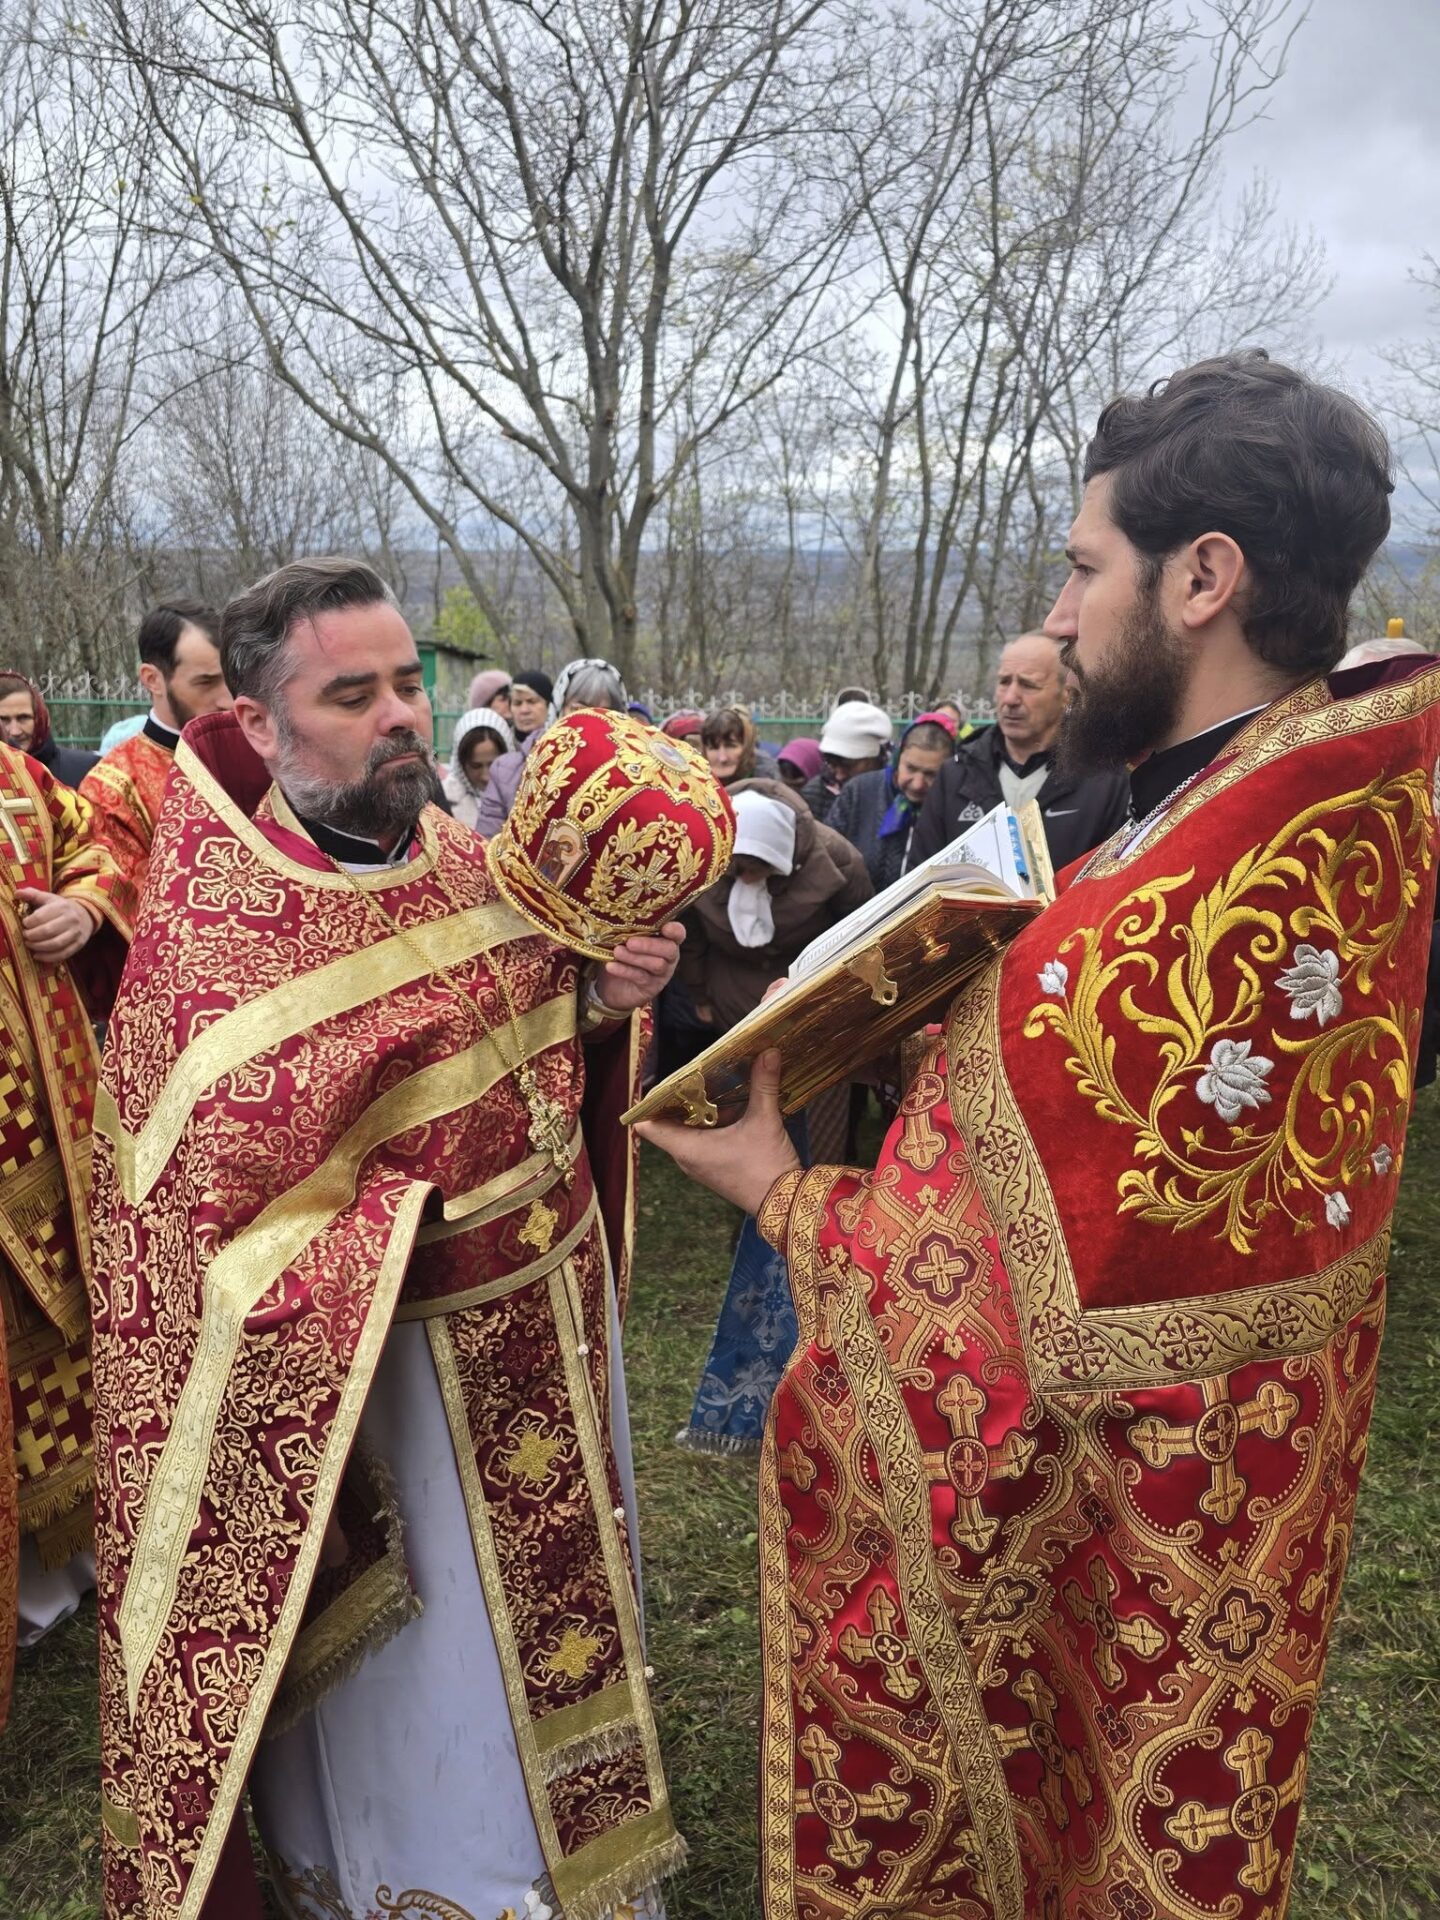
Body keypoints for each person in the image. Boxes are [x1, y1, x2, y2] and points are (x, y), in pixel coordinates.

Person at [640, 352, 1440, 1919]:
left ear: (1202, 577)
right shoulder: (1332, 803)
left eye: (1084, 569)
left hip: (1123, 1544)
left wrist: (779, 1192)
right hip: (1232, 1527)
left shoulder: (1157, 916)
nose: (1060, 621)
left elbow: (965, 1347)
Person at [88, 559, 732, 1920]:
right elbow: (191, 1262)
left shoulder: (458, 859)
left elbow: (534, 1036)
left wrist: (607, 992)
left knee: (561, 1638)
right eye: (352, 695)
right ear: (258, 723)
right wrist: (397, 1231)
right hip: (387, 1408)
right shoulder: (210, 953)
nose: (399, 717)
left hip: (553, 1343)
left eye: (406, 685)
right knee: (436, 1696)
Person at [673, 783, 871, 1455]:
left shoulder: (837, 862)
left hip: (816, 1022)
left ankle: (812, 1236)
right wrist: (703, 996)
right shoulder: (710, 860)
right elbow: (695, 938)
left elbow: (863, 936)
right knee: (752, 1144)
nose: (750, 875)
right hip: (739, 1016)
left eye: (762, 867)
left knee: (816, 1155)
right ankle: (760, 1219)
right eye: (742, 867)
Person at [0, 742, 132, 1707]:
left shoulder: (18, 776)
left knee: (80, 1318)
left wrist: (84, 906)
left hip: (58, 1105)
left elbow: (99, 847)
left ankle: (77, 1549)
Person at [909, 632, 1130, 871]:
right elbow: (922, 875)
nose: (1011, 698)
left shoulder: (1104, 781)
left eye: (1028, 685)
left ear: (1065, 695)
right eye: (1004, 682)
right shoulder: (955, 774)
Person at [79, 599, 232, 903]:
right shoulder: (112, 790)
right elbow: (128, 906)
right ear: (152, 679)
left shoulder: (265, 755)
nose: (227, 700)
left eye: (232, 680)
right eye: (206, 682)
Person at [476, 656, 629, 837]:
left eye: (605, 713)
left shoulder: (634, 775)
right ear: (558, 709)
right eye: (579, 710)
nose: (592, 721)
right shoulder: (509, 771)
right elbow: (487, 843)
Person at [826, 712, 955, 888]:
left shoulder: (955, 808)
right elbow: (828, 858)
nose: (917, 784)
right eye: (910, 768)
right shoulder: (859, 792)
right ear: (897, 758)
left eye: (931, 774)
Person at [0, 670, 99, 788]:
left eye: (23, 718)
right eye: (3, 720)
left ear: (40, 718)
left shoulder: (85, 770)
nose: (14, 731)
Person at [801, 699, 892, 823]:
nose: (839, 775)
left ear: (876, 758)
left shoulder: (895, 796)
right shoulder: (815, 793)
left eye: (848, 765)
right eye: (832, 763)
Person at [440, 705, 515, 828]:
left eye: (494, 765)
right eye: (476, 766)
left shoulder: (524, 797)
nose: (486, 776)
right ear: (461, 764)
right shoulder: (442, 803)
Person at [701, 705, 779, 786]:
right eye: (713, 748)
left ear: (746, 746)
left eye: (731, 746)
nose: (722, 758)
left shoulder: (767, 780)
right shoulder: (696, 779)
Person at [508, 669, 554, 742]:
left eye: (532, 702)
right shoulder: (500, 744)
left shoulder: (565, 742)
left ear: (548, 705)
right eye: (517, 703)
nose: (524, 710)